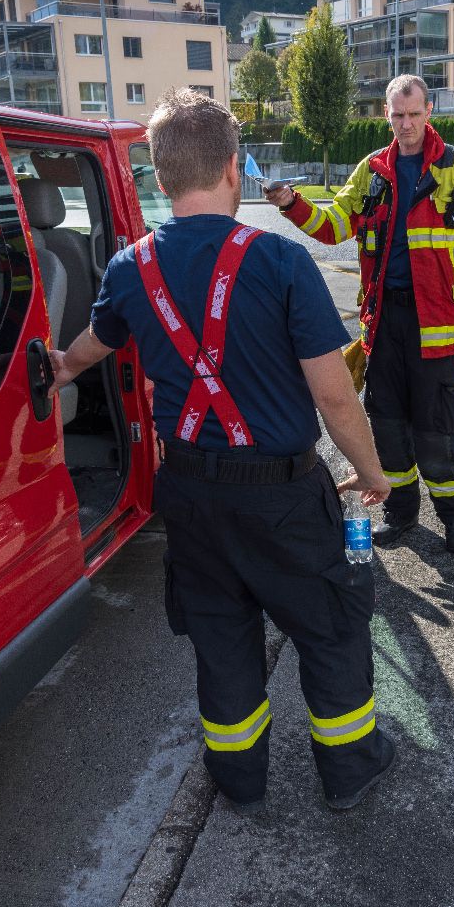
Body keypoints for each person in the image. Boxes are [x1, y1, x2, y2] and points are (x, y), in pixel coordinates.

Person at [48, 88, 396, 813]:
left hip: (192, 498)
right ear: (234, 169)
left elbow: (93, 346)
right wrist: (370, 473)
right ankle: (349, 769)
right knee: (330, 627)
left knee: (220, 636)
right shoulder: (281, 261)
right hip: (281, 496)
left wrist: (59, 369)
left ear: (161, 175)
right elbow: (335, 397)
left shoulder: (129, 267)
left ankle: (238, 778)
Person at [266, 75, 454, 554]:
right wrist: (293, 204)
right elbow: (334, 226)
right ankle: (401, 514)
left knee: (436, 431)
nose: (407, 124)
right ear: (387, 115)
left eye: (414, 114)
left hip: (438, 325)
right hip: (385, 322)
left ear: (429, 111)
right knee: (388, 423)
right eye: (398, 115)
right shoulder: (373, 169)